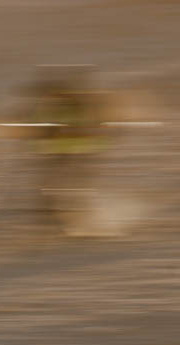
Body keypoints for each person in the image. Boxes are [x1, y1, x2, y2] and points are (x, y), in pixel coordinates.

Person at [18, 66, 110, 229]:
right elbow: (39, 126)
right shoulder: (62, 106)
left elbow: (89, 126)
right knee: (57, 180)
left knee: (68, 180)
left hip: (74, 149)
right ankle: (56, 208)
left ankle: (73, 209)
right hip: (61, 149)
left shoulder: (78, 106)